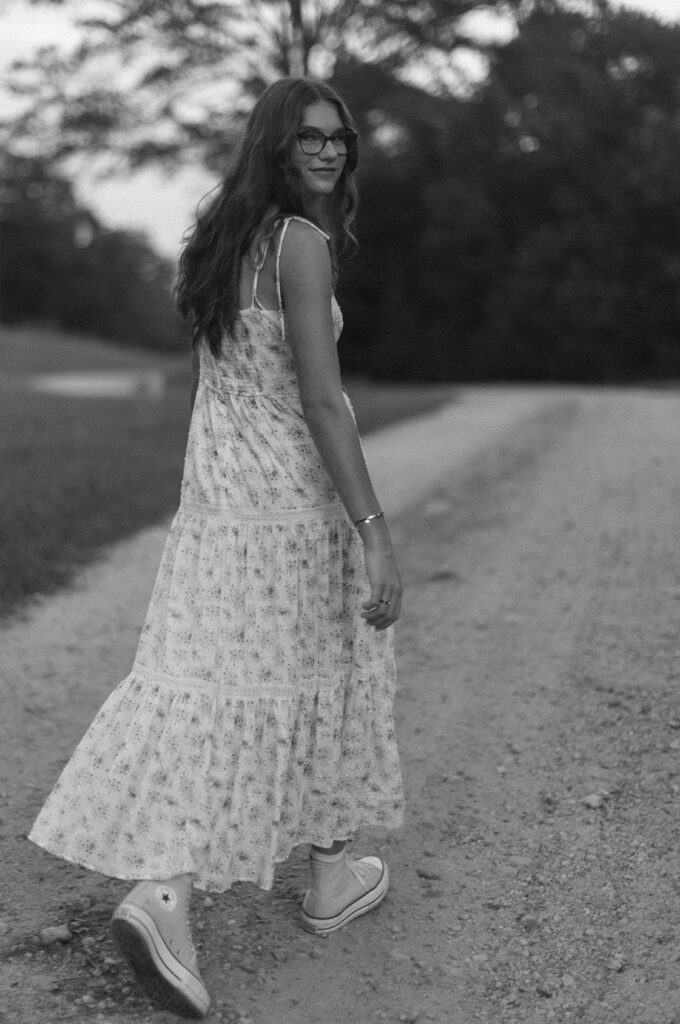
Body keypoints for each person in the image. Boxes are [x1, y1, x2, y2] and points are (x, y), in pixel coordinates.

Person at [28, 76, 404, 1019]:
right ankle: (178, 893)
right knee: (313, 668)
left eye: (339, 138)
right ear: (273, 145)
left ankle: (306, 877)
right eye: (309, 138)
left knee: (214, 677)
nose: (329, 151)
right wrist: (373, 529)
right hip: (289, 509)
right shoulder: (301, 245)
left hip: (216, 507)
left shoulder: (217, 236)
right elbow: (320, 400)